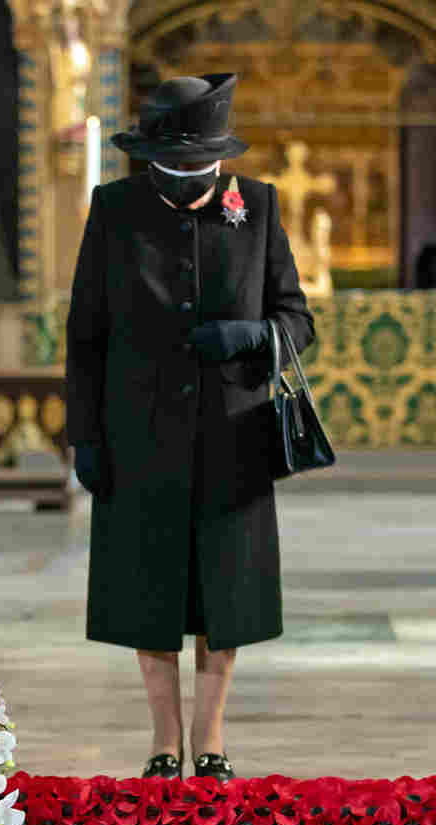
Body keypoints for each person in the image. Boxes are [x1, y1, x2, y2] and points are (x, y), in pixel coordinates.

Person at [65, 74, 314, 783]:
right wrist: (84, 434)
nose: (188, 183)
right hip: (136, 436)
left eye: (200, 170)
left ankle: (210, 739)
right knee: (147, 597)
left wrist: (250, 336)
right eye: (173, 170)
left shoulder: (258, 206)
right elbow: (85, 332)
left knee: (224, 598)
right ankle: (162, 742)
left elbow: (298, 319)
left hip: (234, 436)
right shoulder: (113, 209)